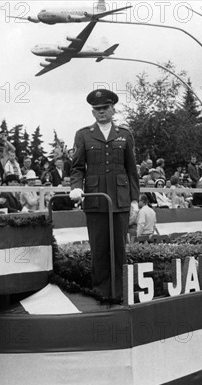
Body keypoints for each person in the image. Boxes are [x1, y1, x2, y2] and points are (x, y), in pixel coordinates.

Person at [69, 89, 140, 301]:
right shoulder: (83, 134)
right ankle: (100, 294)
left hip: (119, 200)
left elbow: (132, 170)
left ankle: (119, 294)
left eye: (105, 108)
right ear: (93, 113)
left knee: (119, 249)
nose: (101, 112)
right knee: (99, 249)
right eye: (97, 109)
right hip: (95, 199)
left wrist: (134, 200)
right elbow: (77, 167)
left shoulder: (125, 135)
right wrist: (76, 187)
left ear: (113, 109)